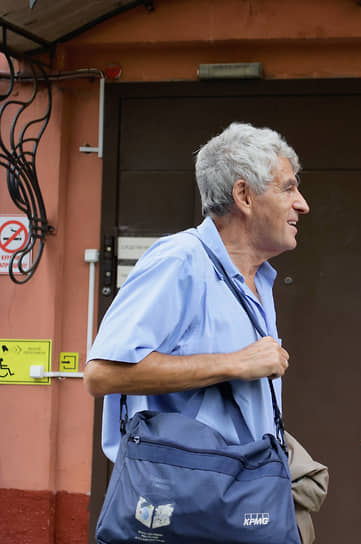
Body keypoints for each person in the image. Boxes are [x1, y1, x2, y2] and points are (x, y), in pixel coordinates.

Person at [84, 122, 313, 534]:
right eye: (288, 188)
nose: (302, 204)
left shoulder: (257, 278)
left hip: (237, 504)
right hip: (184, 511)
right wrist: (234, 363)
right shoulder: (181, 260)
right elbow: (102, 373)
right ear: (244, 195)